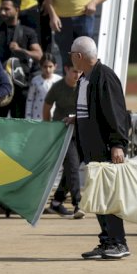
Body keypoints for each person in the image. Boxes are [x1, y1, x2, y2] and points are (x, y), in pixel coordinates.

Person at [69, 36, 131, 260]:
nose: (71, 60)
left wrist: (117, 144)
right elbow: (92, 110)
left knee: (108, 197)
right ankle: (106, 241)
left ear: (79, 56)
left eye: (71, 55)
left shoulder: (104, 76)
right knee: (98, 197)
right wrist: (76, 119)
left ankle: (118, 242)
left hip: (105, 149)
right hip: (91, 150)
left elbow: (115, 112)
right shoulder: (85, 79)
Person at [0, 0, 43, 118]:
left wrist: (21, 50)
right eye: (1, 9)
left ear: (17, 10)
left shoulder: (28, 32)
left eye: (6, 9)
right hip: (1, 85)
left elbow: (39, 55)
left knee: (18, 123)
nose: (3, 12)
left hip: (21, 87)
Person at [42, 57, 83, 219]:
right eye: (74, 71)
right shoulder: (58, 87)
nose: (77, 75)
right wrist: (48, 128)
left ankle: (57, 202)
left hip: (80, 133)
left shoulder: (83, 87)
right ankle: (77, 203)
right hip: (63, 133)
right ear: (66, 70)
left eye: (80, 72)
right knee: (72, 166)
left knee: (70, 170)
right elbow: (47, 107)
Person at [27, 53, 61, 120]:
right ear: (40, 66)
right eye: (45, 67)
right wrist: (28, 118)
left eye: (50, 66)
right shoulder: (35, 81)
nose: (48, 70)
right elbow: (30, 100)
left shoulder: (59, 80)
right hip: (37, 117)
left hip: (54, 117)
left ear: (55, 66)